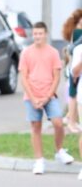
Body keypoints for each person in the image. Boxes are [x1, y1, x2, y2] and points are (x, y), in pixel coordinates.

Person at [20, 22, 73, 175]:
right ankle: (39, 161)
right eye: (35, 33)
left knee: (58, 123)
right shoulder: (26, 53)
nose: (37, 36)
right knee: (36, 127)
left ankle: (59, 151)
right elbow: (24, 78)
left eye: (40, 33)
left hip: (49, 96)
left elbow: (56, 78)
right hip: (32, 97)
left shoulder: (53, 53)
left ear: (45, 34)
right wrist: (33, 97)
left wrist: (47, 97)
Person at [59, 10, 82, 133]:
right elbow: (73, 49)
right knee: (73, 95)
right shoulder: (78, 32)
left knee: (74, 95)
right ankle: (71, 122)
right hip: (75, 68)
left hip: (73, 67)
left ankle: (70, 119)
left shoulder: (76, 32)